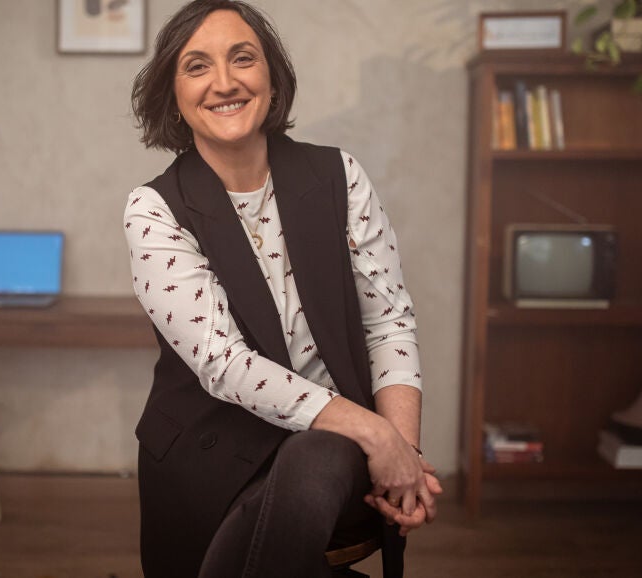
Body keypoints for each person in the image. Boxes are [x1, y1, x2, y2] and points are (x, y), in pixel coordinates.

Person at [124, 1, 442, 576]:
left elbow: (388, 322)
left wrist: (403, 450)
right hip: (209, 454)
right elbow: (222, 362)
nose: (225, 82)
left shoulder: (340, 178)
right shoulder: (153, 209)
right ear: (174, 94)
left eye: (243, 58)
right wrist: (375, 431)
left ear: (272, 78)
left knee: (316, 457)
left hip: (333, 451)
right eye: (197, 66)